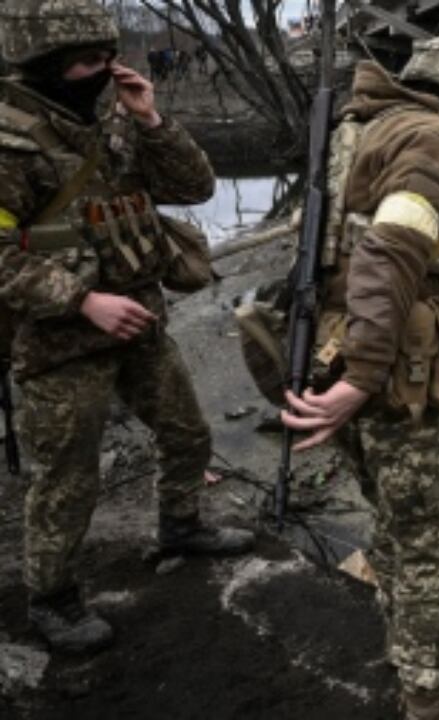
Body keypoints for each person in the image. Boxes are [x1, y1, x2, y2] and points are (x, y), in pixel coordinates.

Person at [277, 37, 439, 719]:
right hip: (381, 367)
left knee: (394, 513)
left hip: (338, 344)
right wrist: (364, 374)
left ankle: (411, 618)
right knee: (432, 538)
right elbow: (391, 254)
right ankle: (433, 695)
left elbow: (391, 258)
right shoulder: (434, 135)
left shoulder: (360, 126)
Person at [0, 0, 254, 655]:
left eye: (106, 57)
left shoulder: (116, 119)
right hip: (61, 342)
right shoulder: (12, 142)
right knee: (66, 477)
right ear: (48, 65)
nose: (102, 71)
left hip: (139, 318)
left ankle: (179, 525)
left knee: (187, 431)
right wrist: (82, 301)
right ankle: (53, 601)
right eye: (88, 62)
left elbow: (197, 186)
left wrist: (152, 118)